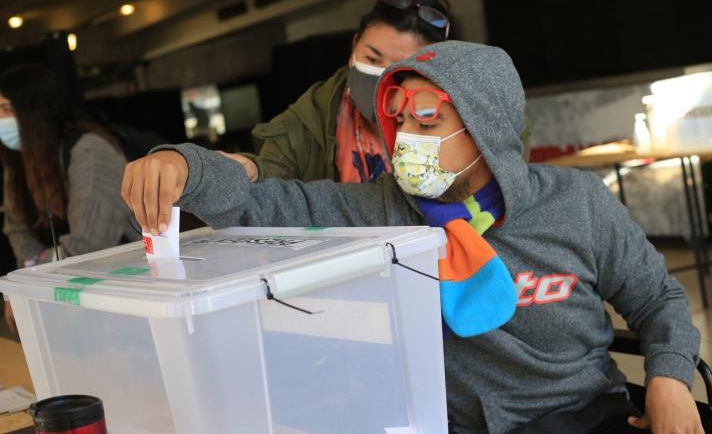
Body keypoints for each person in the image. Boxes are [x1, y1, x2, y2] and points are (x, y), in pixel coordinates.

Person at [121, 41, 701, 433]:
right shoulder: (378, 211)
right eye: (397, 121)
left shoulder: (576, 204)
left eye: (428, 120)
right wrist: (185, 166)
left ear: (485, 128)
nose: (405, 138)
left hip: (583, 414)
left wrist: (670, 380)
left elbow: (659, 300)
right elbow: (261, 205)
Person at [230, 0, 530, 184]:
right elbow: (269, 179)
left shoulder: (485, 117)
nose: (384, 77)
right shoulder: (307, 122)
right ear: (354, 46)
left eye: (401, 68)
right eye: (372, 59)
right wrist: (248, 170)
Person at [0, 64, 139, 332]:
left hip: (121, 295)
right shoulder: (18, 161)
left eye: (6, 109)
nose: (1, 119)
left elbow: (88, 247)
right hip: (66, 297)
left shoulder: (88, 150)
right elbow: (16, 228)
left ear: (34, 111)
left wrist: (31, 277)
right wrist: (25, 281)